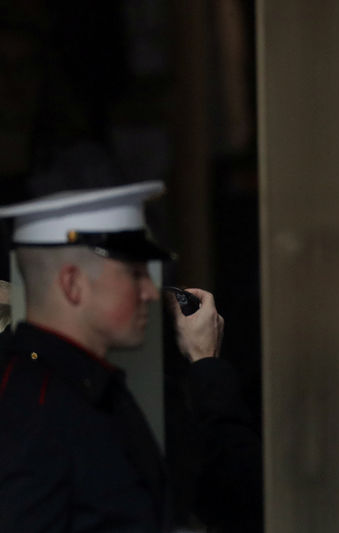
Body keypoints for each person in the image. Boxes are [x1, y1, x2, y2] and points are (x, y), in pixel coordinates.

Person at [0, 181, 235, 532]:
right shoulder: (32, 407)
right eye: (134, 274)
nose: (150, 293)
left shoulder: (96, 388)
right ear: (72, 284)